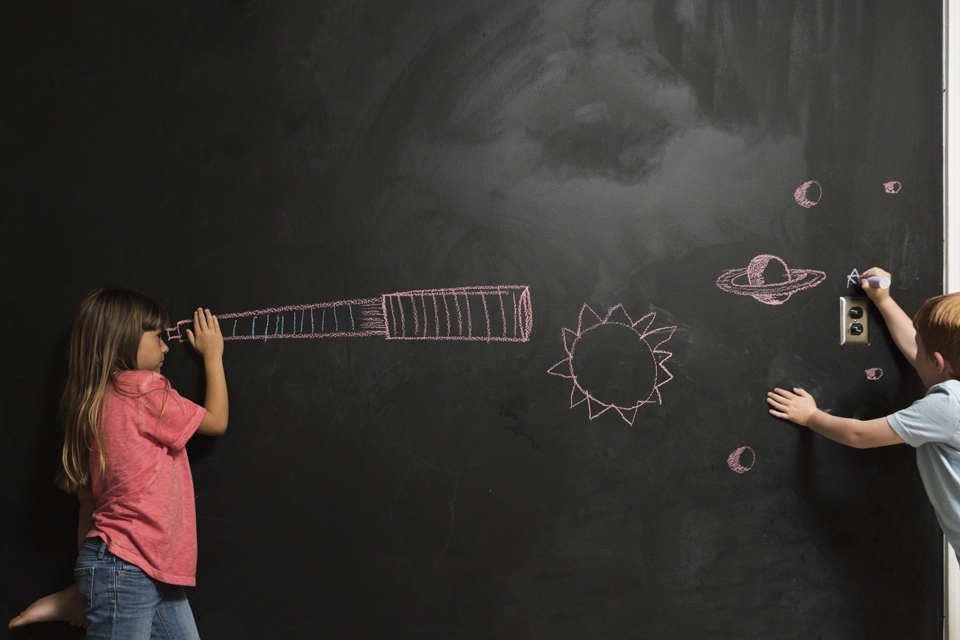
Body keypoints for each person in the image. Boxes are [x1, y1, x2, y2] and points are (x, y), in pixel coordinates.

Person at [8, 287, 228, 639]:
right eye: (158, 336)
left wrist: (89, 582)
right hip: (128, 567)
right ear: (124, 337)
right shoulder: (143, 388)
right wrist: (212, 355)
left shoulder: (92, 407)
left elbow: (90, 505)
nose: (166, 347)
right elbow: (216, 421)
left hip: (138, 567)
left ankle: (79, 594)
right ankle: (81, 593)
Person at [767, 267, 960, 556]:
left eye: (920, 350)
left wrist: (810, 416)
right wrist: (883, 301)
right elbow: (917, 347)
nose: (914, 351)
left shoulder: (949, 405)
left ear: (937, 362)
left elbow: (859, 435)